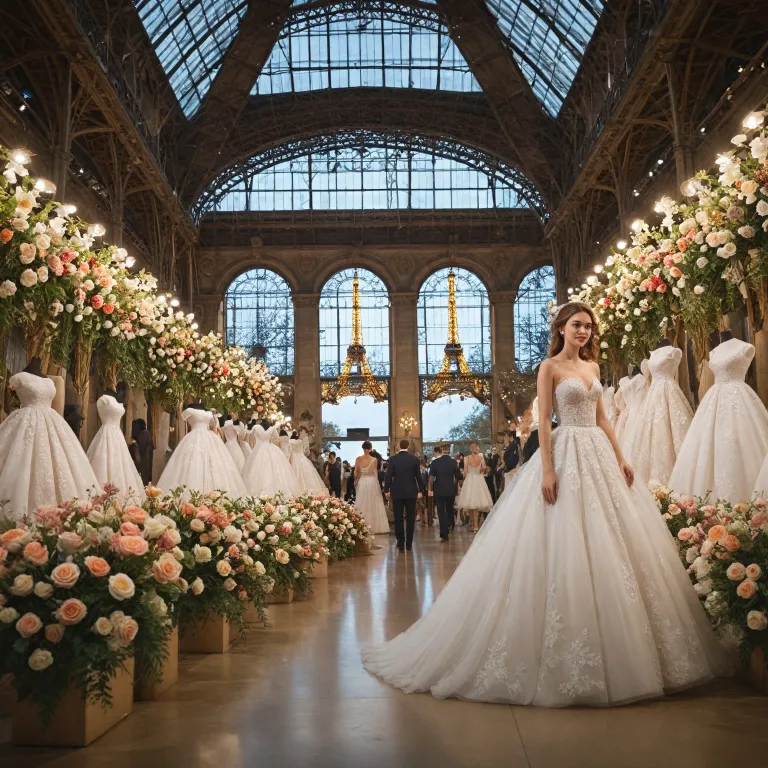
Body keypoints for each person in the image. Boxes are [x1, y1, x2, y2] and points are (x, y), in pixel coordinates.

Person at [362, 302, 731, 707]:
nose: (584, 331)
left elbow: (604, 418)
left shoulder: (592, 370)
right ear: (561, 327)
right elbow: (544, 424)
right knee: (563, 532)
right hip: (567, 449)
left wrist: (622, 456)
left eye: (589, 326)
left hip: (599, 455)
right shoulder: (549, 367)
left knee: (615, 536)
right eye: (577, 325)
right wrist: (549, 471)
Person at [0, 361, 99, 524]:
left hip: (52, 423)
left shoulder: (49, 380)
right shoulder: (19, 378)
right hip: (26, 423)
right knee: (23, 461)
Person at [157, 402, 246, 498]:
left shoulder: (208, 413)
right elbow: (183, 417)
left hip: (209, 437)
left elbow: (213, 426)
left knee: (213, 463)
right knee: (195, 461)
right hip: (195, 437)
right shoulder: (189, 410)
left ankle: (215, 495)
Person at [87, 390, 144, 500]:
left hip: (118, 436)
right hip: (107, 434)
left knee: (122, 466)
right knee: (105, 462)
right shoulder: (103, 400)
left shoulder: (116, 397)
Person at [384, 439, 425, 551]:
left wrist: (386, 489)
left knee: (398, 518)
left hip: (397, 491)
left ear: (398, 447)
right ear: (408, 446)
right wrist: (421, 490)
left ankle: (401, 542)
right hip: (411, 491)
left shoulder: (393, 459)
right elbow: (418, 476)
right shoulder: (414, 460)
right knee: (411, 518)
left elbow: (389, 476)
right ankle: (409, 543)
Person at [242, 419, 300, 497]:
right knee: (272, 468)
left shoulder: (256, 427)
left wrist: (243, 428)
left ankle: (259, 490)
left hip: (260, 449)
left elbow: (249, 432)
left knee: (259, 468)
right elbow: (277, 438)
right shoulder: (272, 428)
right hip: (270, 448)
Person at [455, 441, 494, 533]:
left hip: (470, 480)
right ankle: (475, 524)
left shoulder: (466, 458)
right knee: (476, 503)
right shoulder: (481, 458)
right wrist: (482, 470)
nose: (474, 448)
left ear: (470, 448)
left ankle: (474, 524)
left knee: (471, 503)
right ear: (477, 448)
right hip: (479, 480)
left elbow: (465, 472)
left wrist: (463, 477)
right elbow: (483, 470)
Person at [428, 445, 463, 541]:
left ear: (442, 451)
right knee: (449, 510)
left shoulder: (435, 462)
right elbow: (458, 476)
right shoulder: (453, 462)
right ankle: (448, 526)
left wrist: (430, 489)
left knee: (440, 511)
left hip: (439, 489)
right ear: (449, 451)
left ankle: (444, 533)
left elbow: (431, 478)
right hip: (450, 489)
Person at [355, 441, 390, 534]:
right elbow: (375, 472)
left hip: (362, 481)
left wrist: (357, 480)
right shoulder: (374, 459)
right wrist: (377, 483)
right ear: (370, 448)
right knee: (373, 502)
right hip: (371, 481)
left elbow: (356, 473)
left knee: (362, 501)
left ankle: (361, 525)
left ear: (363, 448)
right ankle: (374, 525)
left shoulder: (358, 459)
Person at [289, 431, 328, 497]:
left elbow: (289, 451)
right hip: (302, 458)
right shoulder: (301, 441)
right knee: (305, 475)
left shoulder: (290, 441)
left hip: (294, 458)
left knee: (295, 474)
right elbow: (304, 451)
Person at [130, 418, 154, 487]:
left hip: (143, 466)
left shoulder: (143, 434)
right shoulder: (145, 434)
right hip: (144, 466)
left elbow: (142, 453)